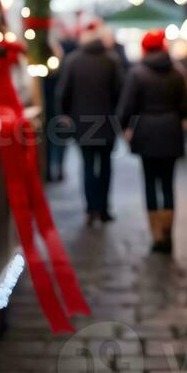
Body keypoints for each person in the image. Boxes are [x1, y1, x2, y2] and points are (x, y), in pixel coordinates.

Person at [118, 29, 187, 254]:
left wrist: (125, 127)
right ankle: (168, 233)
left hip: (146, 133)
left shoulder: (137, 74)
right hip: (171, 132)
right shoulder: (177, 72)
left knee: (150, 183)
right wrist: (178, 115)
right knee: (168, 184)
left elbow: (127, 106)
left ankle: (156, 235)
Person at [57, 21, 124, 224]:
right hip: (107, 123)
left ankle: (90, 208)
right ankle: (103, 208)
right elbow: (120, 92)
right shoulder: (111, 60)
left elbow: (63, 93)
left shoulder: (72, 61)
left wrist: (66, 116)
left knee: (86, 165)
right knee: (105, 166)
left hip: (82, 124)